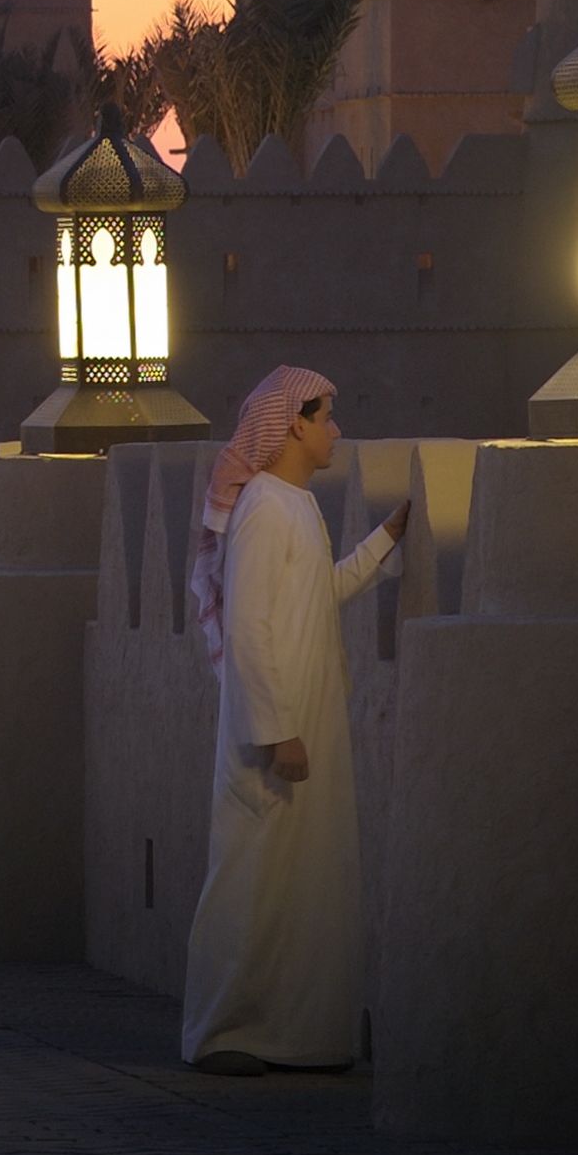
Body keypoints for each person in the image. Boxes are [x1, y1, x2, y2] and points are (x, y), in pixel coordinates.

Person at [178, 364, 409, 1075]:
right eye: (327, 417)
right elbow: (248, 628)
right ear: (295, 424)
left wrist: (385, 542)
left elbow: (317, 592)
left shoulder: (294, 505)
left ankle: (297, 1033)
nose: (335, 431)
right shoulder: (266, 510)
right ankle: (226, 1032)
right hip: (272, 739)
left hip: (305, 724)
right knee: (252, 881)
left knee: (304, 882)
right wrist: (278, 731)